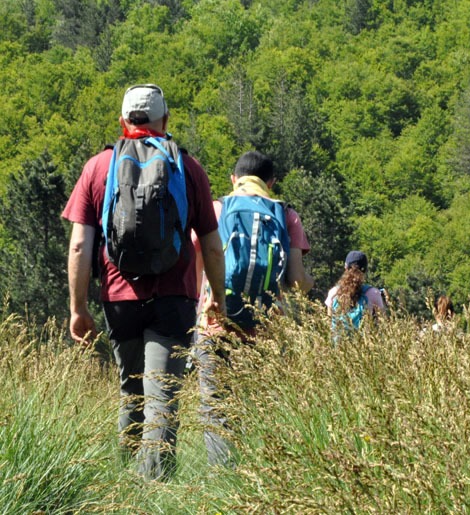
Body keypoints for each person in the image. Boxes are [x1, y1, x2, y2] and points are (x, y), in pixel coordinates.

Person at [63, 84, 226, 480]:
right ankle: (154, 490)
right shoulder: (188, 168)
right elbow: (211, 245)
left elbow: (80, 245)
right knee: (162, 397)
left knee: (132, 393)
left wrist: (78, 307)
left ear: (122, 121)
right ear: (164, 120)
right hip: (174, 299)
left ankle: (125, 485)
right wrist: (217, 298)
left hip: (119, 298)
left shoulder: (98, 167)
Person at [193, 150, 314, 467]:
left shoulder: (217, 208)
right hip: (265, 330)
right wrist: (310, 284)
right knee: (260, 407)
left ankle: (224, 479)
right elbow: (297, 282)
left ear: (234, 179)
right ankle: (258, 475)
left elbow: (195, 265)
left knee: (216, 408)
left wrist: (200, 305)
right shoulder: (286, 215)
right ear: (271, 183)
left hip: (215, 324)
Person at [325, 250, 385, 342]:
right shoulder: (374, 293)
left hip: (338, 347)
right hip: (363, 346)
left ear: (345, 267)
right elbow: (383, 325)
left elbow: (329, 325)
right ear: (365, 270)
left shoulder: (333, 293)